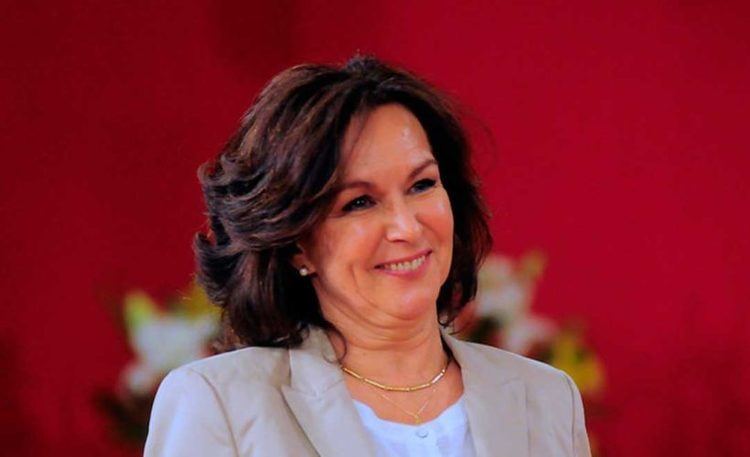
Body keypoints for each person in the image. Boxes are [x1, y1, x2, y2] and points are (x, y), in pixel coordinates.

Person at [144, 56, 591, 457]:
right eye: (359, 202)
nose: (406, 227)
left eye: (422, 185)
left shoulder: (546, 398)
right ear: (297, 243)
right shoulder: (220, 403)